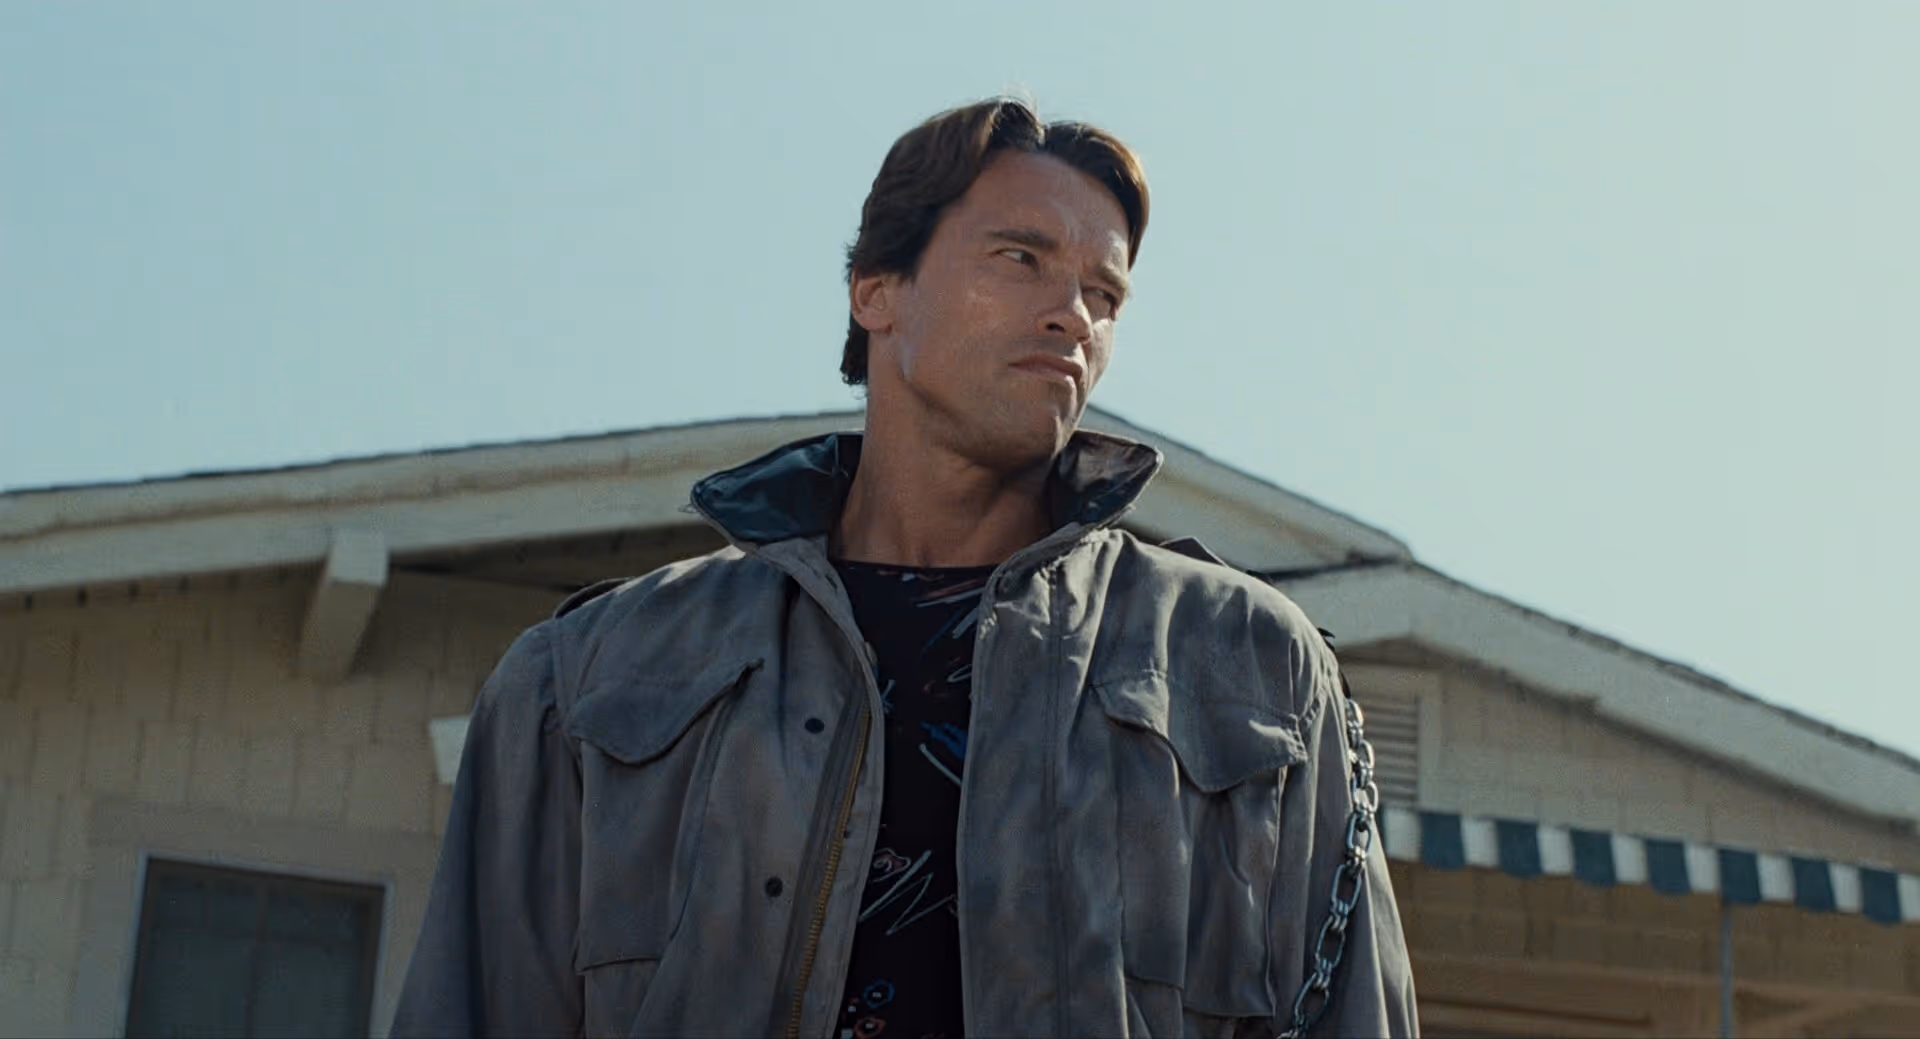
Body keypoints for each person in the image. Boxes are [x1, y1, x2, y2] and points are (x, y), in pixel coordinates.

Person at [391, 96, 1418, 1039]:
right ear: (877, 290)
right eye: (1020, 257)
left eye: (1104, 291)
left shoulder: (1252, 668)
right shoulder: (587, 677)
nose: (1073, 312)